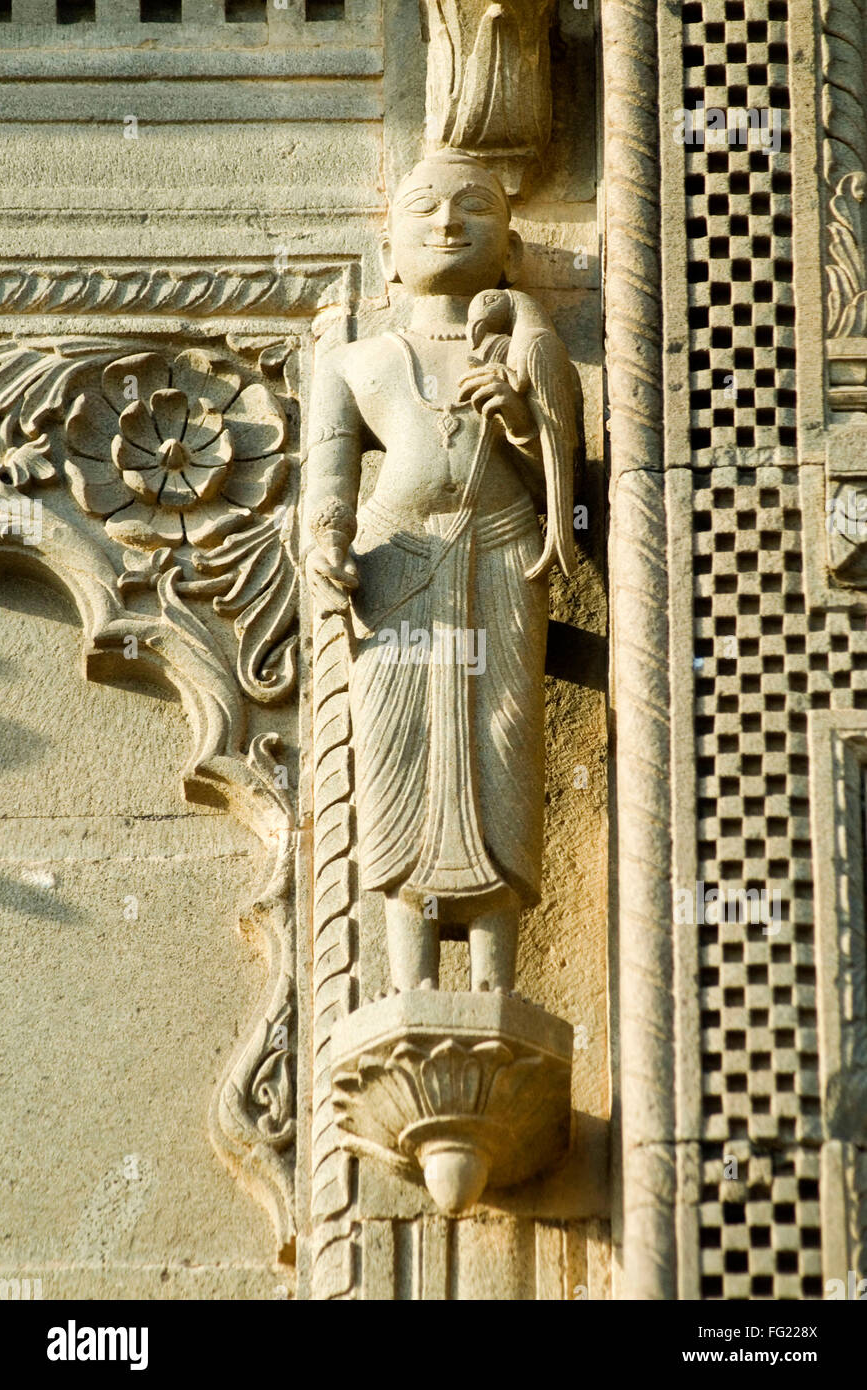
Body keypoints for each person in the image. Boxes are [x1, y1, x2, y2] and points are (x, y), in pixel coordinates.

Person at [303, 150, 579, 992]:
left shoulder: (525, 346)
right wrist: (324, 543)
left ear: (514, 246)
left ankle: (498, 983)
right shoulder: (355, 363)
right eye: (422, 208)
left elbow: (565, 482)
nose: (447, 223)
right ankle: (410, 984)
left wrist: (528, 423)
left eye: (473, 208)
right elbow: (328, 486)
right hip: (396, 565)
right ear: (389, 249)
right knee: (401, 758)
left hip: (499, 553)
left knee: (501, 749)